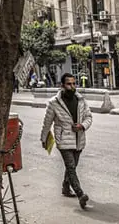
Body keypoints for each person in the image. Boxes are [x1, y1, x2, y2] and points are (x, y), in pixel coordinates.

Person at [40, 73, 93, 209]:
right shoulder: (54, 103)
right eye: (69, 84)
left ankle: (65, 186)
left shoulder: (80, 100)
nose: (72, 86)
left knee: (72, 166)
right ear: (62, 85)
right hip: (63, 139)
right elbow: (47, 122)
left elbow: (88, 117)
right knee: (71, 166)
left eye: (74, 83)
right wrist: (44, 138)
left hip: (79, 139)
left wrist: (82, 126)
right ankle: (80, 194)